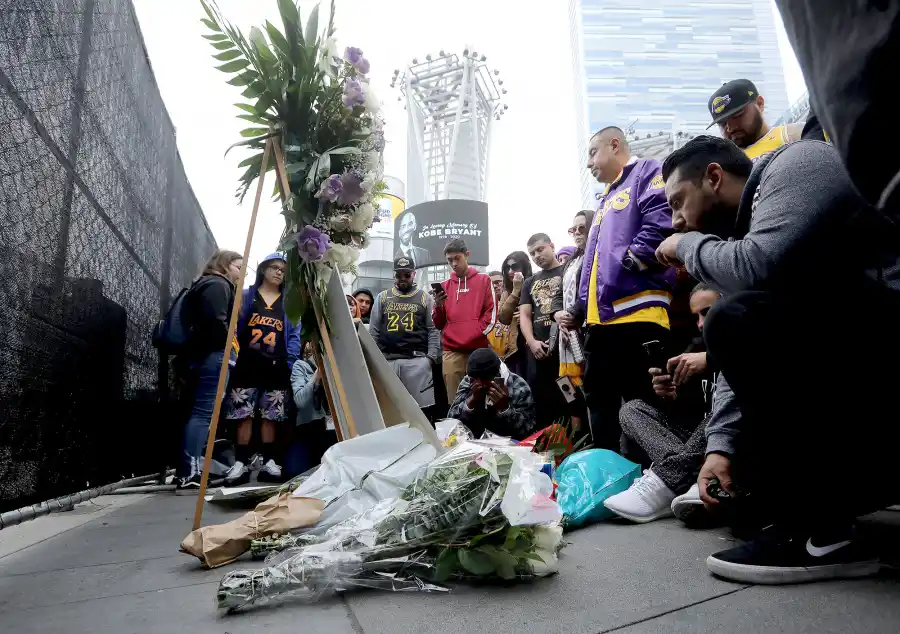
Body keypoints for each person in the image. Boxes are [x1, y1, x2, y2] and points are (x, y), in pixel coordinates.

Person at [656, 135, 900, 584]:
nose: (677, 221)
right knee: (746, 510)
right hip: (871, 382)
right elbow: (739, 355)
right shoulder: (750, 233)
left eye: (678, 203)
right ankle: (818, 513)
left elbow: (754, 276)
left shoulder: (799, 162)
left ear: (713, 177)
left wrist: (688, 246)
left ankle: (825, 536)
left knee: (734, 316)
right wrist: (720, 448)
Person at [574, 126, 674, 450]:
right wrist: (580, 305)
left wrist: (632, 261)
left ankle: (656, 477)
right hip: (599, 323)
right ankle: (607, 480)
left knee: (642, 404)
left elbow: (662, 219)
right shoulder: (604, 200)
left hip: (637, 313)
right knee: (599, 403)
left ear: (614, 144)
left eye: (592, 152)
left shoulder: (647, 171)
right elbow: (592, 262)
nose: (589, 164)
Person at [603, 284, 720, 524]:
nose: (700, 323)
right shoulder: (691, 351)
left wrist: (711, 361)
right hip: (695, 446)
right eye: (696, 316)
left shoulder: (742, 346)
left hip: (725, 441)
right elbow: (688, 416)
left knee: (719, 412)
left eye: (707, 312)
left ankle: (666, 480)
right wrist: (669, 397)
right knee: (631, 409)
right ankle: (685, 476)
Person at [224, 252, 301, 485]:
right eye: (275, 267)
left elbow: (295, 334)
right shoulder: (247, 297)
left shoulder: (288, 303)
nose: (279, 272)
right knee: (243, 413)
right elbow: (235, 328)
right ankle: (241, 462)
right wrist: (233, 355)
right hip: (247, 363)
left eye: (283, 269)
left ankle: (269, 460)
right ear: (263, 270)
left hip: (276, 365)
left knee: (271, 414)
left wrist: (290, 361)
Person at [177, 249, 242, 488]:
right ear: (225, 265)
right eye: (238, 266)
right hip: (214, 356)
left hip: (205, 355)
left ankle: (188, 470)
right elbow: (216, 322)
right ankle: (190, 473)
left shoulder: (207, 284)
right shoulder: (217, 284)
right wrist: (228, 351)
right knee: (204, 412)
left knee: (201, 412)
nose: (241, 272)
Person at [369, 256, 440, 416]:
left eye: (406, 275)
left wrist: (430, 359)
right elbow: (374, 331)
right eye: (398, 275)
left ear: (413, 274)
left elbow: (433, 329)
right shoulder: (383, 297)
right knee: (390, 412)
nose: (402, 278)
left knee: (421, 413)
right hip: (388, 362)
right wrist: (374, 360)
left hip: (417, 362)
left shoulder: (424, 297)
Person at [432, 239, 496, 398]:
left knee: (483, 399)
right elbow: (439, 323)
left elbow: (491, 313)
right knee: (455, 401)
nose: (453, 263)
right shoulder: (445, 285)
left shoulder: (483, 280)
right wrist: (438, 307)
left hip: (478, 349)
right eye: (449, 260)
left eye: (457, 258)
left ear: (467, 255)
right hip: (452, 351)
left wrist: (476, 332)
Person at [519, 233, 566, 427]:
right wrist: (531, 342)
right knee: (542, 401)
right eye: (532, 253)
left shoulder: (568, 271)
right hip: (538, 350)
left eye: (540, 249)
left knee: (570, 399)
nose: (537, 255)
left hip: (565, 347)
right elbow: (525, 315)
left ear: (552, 246)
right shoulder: (530, 282)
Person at [553, 210, 594, 434]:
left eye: (582, 227)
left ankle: (594, 438)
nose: (577, 233)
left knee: (591, 389)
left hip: (587, 329)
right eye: (573, 229)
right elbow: (559, 294)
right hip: (566, 335)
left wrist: (575, 314)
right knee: (568, 386)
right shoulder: (570, 261)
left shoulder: (596, 253)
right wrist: (557, 314)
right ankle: (578, 438)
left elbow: (592, 291)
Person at [446, 348, 537, 440]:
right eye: (475, 380)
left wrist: (505, 408)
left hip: (509, 444)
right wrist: (470, 402)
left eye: (485, 381)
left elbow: (528, 430)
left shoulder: (518, 386)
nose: (480, 385)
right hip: (475, 443)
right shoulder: (468, 382)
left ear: (497, 375)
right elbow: (452, 425)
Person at [707, 79, 803, 162]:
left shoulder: (793, 134)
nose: (730, 128)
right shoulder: (722, 164)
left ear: (760, 104)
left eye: (737, 115)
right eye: (722, 123)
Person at [285, 342, 336, 477]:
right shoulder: (301, 366)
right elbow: (301, 401)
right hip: (309, 430)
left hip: (333, 432)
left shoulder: (338, 367)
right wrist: (317, 375)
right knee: (296, 472)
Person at [496, 251, 533, 377]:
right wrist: (516, 290)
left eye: (514, 267)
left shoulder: (535, 284)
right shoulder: (506, 291)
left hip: (534, 342)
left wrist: (527, 316)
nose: (510, 271)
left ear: (524, 267)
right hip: (515, 348)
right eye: (507, 268)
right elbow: (503, 318)